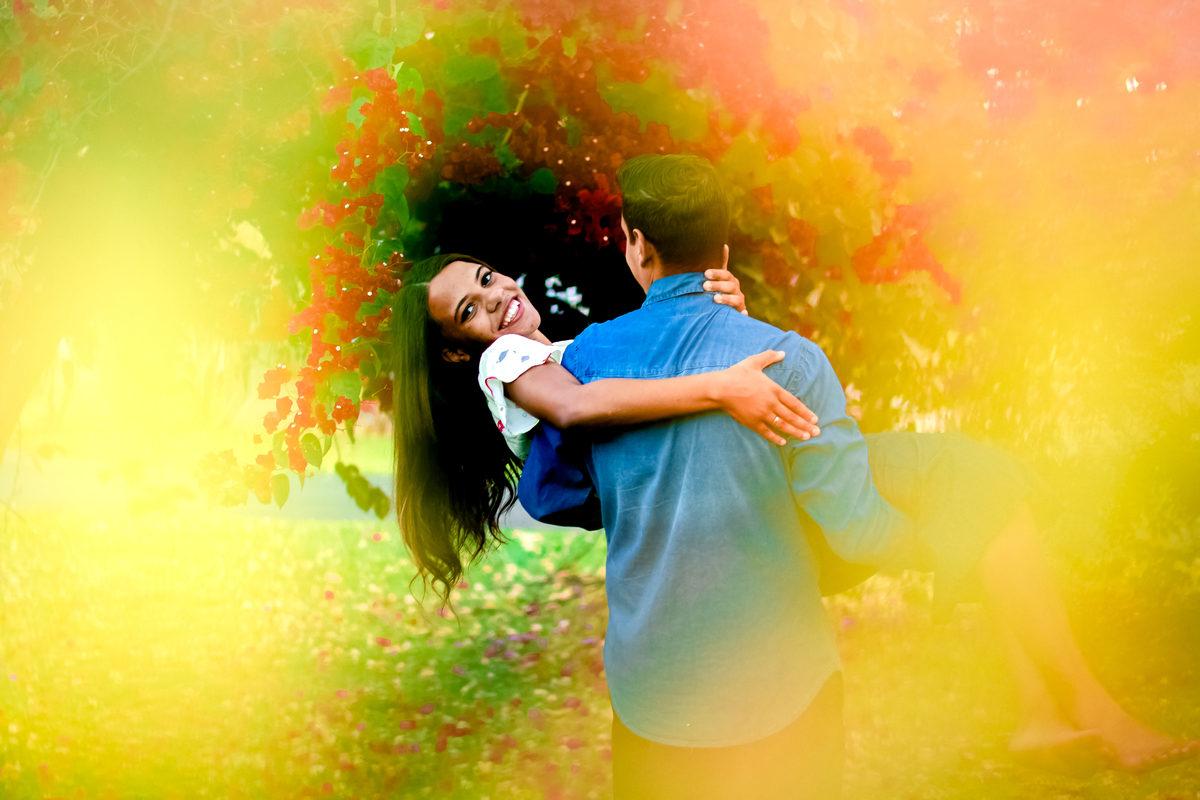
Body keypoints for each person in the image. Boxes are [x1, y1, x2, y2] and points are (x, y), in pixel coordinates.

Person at [390, 155, 1197, 789]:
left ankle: (1050, 707)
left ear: (635, 244)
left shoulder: (589, 350)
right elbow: (584, 413)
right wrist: (726, 379)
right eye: (469, 309)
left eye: (487, 280)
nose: (494, 300)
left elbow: (598, 430)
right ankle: (1060, 691)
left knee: (971, 483)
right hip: (779, 660)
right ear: (722, 246)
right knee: (977, 489)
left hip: (654, 694)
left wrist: (721, 325)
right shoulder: (541, 367)